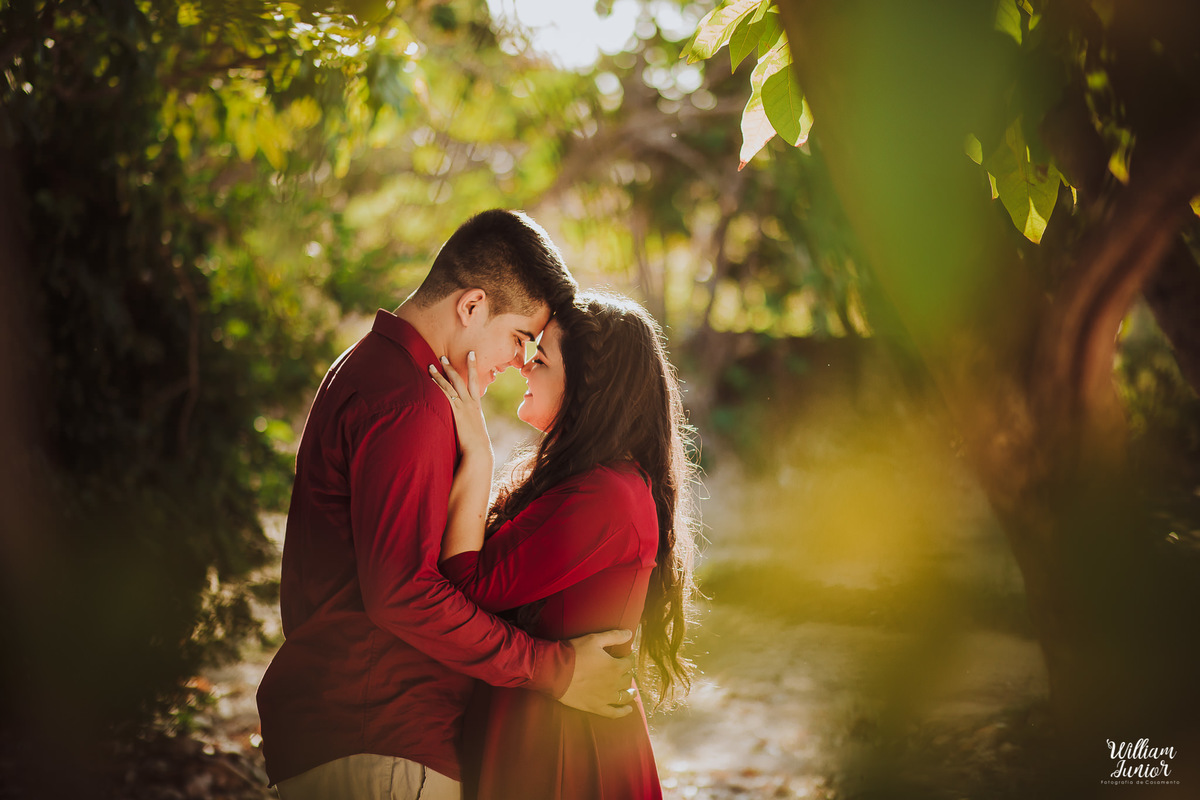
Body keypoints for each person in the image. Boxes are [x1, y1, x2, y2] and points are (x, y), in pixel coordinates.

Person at [256, 211, 639, 800]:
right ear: (472, 306)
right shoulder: (411, 402)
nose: (518, 362)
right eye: (518, 338)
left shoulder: (367, 367)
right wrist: (555, 671)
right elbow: (404, 593)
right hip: (383, 740)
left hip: (357, 731)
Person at [429, 292, 698, 800]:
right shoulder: (596, 483)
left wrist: (477, 455)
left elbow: (467, 588)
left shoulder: (605, 495)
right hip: (548, 734)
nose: (523, 367)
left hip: (562, 753)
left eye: (541, 358)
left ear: (586, 390)